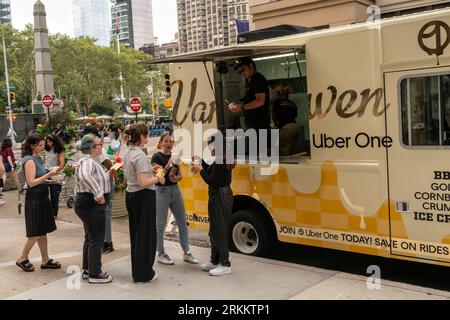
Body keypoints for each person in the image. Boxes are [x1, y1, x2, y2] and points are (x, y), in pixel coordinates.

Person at [123, 124, 164, 283]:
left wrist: (150, 170)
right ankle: (145, 273)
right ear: (141, 137)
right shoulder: (139, 155)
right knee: (146, 236)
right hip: (143, 196)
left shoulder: (128, 153)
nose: (147, 138)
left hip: (131, 195)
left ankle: (138, 271)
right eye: (146, 135)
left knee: (136, 234)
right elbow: (142, 182)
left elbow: (133, 176)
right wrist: (157, 178)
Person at [151, 132, 198, 266]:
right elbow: (159, 175)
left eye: (171, 141)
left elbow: (178, 175)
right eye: (165, 141)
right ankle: (160, 253)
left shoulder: (175, 156)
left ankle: (186, 252)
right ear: (160, 143)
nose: (168, 144)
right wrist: (170, 164)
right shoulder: (156, 156)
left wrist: (179, 176)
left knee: (182, 222)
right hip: (162, 191)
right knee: (160, 224)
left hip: (175, 190)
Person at [16, 133, 61, 272]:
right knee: (36, 232)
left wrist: (52, 180)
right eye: (40, 145)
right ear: (32, 146)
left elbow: (39, 178)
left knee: (42, 231)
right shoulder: (29, 160)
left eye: (43, 144)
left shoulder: (37, 158)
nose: (43, 147)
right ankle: (22, 258)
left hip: (41, 197)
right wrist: (49, 175)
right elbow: (31, 182)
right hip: (35, 199)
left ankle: (45, 259)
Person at [191, 133, 234, 276]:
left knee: (219, 230)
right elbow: (212, 171)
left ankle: (225, 264)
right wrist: (201, 162)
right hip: (218, 195)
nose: (208, 146)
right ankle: (214, 260)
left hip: (220, 196)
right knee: (214, 229)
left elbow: (212, 180)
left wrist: (200, 170)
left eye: (210, 143)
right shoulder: (221, 157)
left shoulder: (222, 158)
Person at [74, 134, 113, 284]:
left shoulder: (89, 161)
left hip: (86, 203)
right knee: (96, 238)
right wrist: (98, 193)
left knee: (90, 237)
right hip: (91, 203)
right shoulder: (88, 161)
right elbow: (85, 176)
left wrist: (108, 174)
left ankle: (88, 269)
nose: (101, 146)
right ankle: (95, 273)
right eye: (98, 144)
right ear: (91, 148)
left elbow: (92, 177)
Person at [82, 125, 115, 254]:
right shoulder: (91, 151)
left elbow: (109, 165)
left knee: (106, 213)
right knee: (101, 214)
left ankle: (107, 242)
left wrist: (106, 179)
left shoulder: (100, 151)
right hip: (101, 185)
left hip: (105, 186)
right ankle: (104, 241)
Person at [228, 57, 270, 132]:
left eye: (243, 69)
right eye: (240, 71)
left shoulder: (257, 79)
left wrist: (242, 107)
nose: (241, 73)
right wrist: (238, 106)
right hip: (254, 126)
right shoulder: (250, 81)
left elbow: (260, 100)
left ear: (251, 66)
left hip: (259, 126)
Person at [272, 85, 300, 156]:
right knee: (293, 153)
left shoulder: (277, 102)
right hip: (296, 127)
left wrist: (275, 124)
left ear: (278, 94)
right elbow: (295, 115)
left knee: (284, 154)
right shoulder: (293, 104)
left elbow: (274, 115)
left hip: (287, 128)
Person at [44, 134, 65, 218]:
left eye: (50, 142)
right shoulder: (46, 149)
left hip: (55, 173)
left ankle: (54, 213)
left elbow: (62, 162)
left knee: (55, 194)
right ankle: (47, 212)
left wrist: (59, 168)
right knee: (44, 193)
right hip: (46, 172)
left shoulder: (59, 150)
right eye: (47, 142)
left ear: (55, 142)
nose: (48, 143)